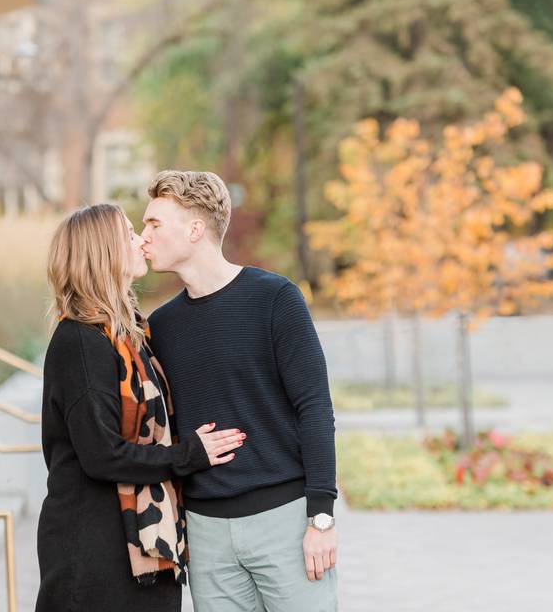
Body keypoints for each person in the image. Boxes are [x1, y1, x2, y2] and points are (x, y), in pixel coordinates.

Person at [141, 170, 339, 611]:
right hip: (207, 534)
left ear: (194, 229)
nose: (143, 236)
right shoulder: (162, 327)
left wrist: (321, 517)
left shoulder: (276, 299)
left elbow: (315, 408)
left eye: (154, 224)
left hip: (284, 523)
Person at [35, 203, 246, 612]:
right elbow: (102, 456)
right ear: (104, 252)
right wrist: (190, 455)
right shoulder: (79, 342)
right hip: (96, 551)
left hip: (142, 542)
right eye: (129, 233)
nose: (141, 240)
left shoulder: (130, 335)